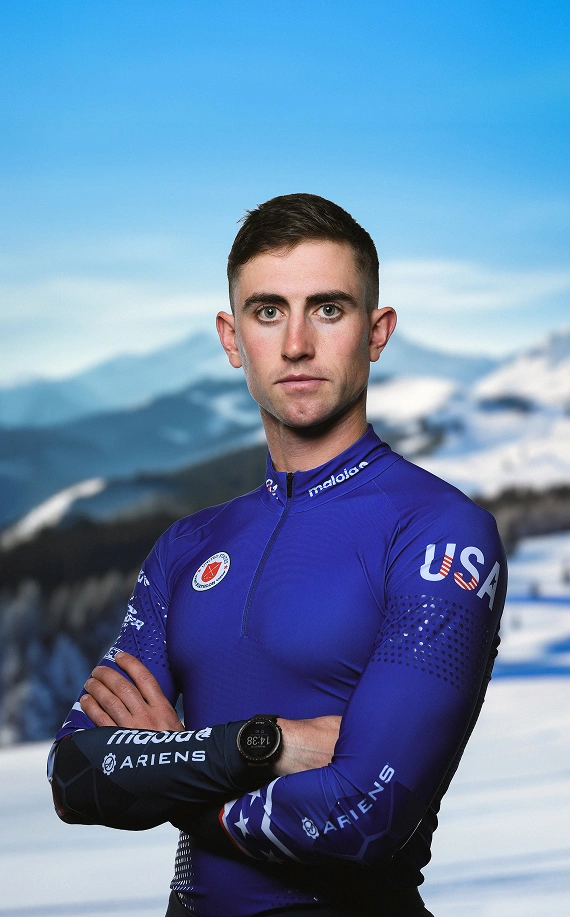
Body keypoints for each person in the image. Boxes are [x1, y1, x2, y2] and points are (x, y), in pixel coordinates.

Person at [49, 194, 506, 917]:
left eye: (328, 309)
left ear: (377, 331)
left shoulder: (441, 533)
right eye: (268, 312)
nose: (296, 343)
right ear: (233, 339)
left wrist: (177, 766)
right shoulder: (187, 546)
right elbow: (77, 775)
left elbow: (365, 818)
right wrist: (264, 745)